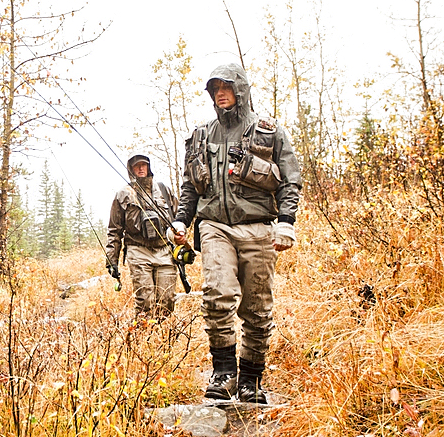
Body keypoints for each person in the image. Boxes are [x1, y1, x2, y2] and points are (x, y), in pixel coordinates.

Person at [170, 62, 301, 404]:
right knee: (217, 295)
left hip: (259, 228)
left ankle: (252, 380)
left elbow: (290, 181)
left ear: (240, 90)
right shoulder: (201, 135)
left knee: (257, 309)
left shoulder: (270, 133)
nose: (220, 94)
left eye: (226, 87)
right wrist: (182, 221)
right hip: (214, 227)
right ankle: (224, 372)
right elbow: (189, 186)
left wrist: (286, 222)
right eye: (214, 89)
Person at [105, 154, 179, 317]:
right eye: (136, 166)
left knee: (166, 301)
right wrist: (112, 260)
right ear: (131, 170)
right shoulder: (123, 195)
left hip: (164, 251)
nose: (140, 168)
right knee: (145, 303)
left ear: (148, 167)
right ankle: (143, 337)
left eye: (143, 165)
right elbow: (114, 230)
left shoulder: (163, 190)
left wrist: (182, 246)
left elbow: (180, 219)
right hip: (137, 251)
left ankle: (162, 338)